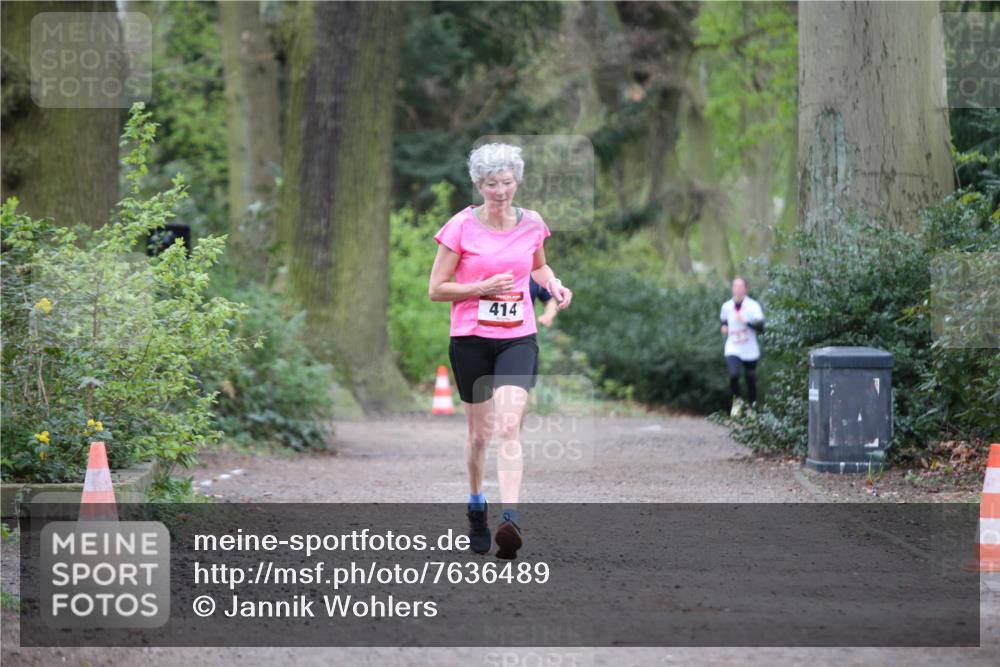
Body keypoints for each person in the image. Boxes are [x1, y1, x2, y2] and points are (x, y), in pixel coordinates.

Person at [428, 143, 573, 559]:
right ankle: (477, 505)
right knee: (480, 435)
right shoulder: (460, 226)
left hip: (517, 337)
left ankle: (510, 519)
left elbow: (539, 267)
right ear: (478, 185)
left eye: (507, 182)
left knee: (509, 427)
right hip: (471, 338)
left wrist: (555, 285)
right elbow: (436, 289)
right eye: (492, 183)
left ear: (517, 182)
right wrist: (478, 289)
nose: (500, 190)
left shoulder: (533, 224)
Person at [720, 277, 764, 417]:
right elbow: (724, 319)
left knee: (750, 378)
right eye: (735, 286)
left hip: (750, 349)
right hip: (733, 347)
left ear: (746, 288)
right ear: (732, 288)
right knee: (733, 374)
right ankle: (737, 402)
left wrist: (746, 321)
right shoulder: (726, 306)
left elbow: (761, 327)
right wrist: (724, 327)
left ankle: (752, 407)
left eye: (741, 286)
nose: (738, 289)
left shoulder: (753, 306)